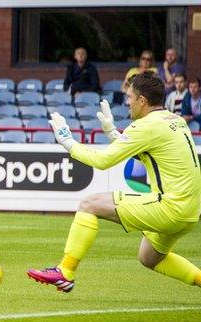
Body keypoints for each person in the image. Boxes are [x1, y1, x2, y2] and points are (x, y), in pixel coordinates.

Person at [28, 72, 201, 293]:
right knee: (149, 257)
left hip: (171, 208)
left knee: (89, 204)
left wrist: (68, 142)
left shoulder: (145, 126)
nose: (127, 103)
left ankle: (65, 272)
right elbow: (147, 150)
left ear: (142, 101)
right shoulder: (174, 120)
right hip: (190, 211)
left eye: (130, 98)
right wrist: (112, 132)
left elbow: (102, 161)